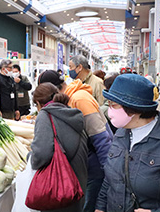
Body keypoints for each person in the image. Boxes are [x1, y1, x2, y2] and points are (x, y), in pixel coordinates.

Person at [38, 70, 112, 212]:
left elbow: (102, 138)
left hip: (94, 169)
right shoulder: (69, 98)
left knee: (89, 206)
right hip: (86, 166)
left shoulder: (79, 99)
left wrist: (109, 176)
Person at [95, 74, 160, 212]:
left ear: (133, 109)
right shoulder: (121, 133)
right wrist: (100, 207)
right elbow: (110, 179)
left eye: (114, 105)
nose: (109, 110)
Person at [31, 82, 88, 212]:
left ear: (39, 103)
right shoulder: (72, 113)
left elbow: (42, 153)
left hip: (59, 186)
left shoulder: (45, 115)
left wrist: (32, 159)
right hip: (78, 182)